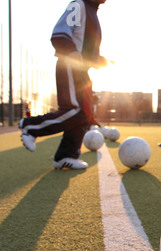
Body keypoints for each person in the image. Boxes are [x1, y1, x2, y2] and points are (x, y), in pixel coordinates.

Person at [19, 0, 107, 169]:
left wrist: (103, 62)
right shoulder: (79, 5)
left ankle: (66, 155)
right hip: (69, 65)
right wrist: (73, 55)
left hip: (82, 70)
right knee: (73, 110)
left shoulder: (92, 12)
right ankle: (30, 127)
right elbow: (60, 34)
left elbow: (87, 52)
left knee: (84, 114)